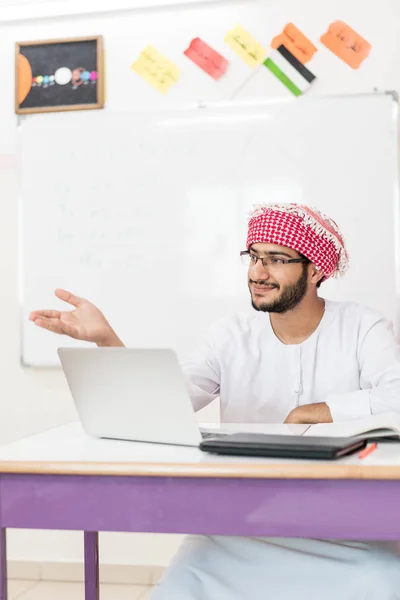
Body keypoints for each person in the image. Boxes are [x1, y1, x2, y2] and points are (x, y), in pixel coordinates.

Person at [30, 203, 400, 600]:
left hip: (348, 533)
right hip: (236, 531)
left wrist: (321, 411)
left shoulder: (363, 327)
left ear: (316, 271)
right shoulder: (229, 334)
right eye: (254, 257)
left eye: (276, 259)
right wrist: (107, 340)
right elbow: (164, 403)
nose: (258, 273)